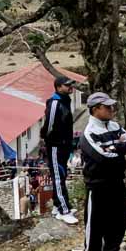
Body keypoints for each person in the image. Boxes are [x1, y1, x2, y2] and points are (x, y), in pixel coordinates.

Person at [79, 92, 126, 251]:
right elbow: (103, 156)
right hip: (97, 183)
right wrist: (118, 147)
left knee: (118, 218)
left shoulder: (114, 125)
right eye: (107, 107)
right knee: (96, 220)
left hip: (117, 179)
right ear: (96, 109)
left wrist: (114, 147)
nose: (112, 109)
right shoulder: (89, 133)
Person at [42, 75, 78, 224]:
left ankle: (58, 206)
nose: (70, 87)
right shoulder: (55, 102)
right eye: (67, 85)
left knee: (62, 175)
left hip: (64, 145)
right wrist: (49, 139)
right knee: (58, 176)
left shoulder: (65, 101)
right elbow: (49, 125)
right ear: (58, 87)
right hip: (55, 145)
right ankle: (64, 211)